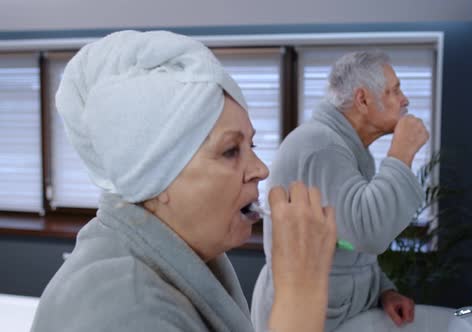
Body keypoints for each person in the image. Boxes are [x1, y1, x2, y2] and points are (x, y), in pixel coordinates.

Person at [30, 30, 337, 332]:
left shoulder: (187, 256)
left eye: (251, 146)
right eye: (231, 150)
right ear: (156, 177)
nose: (261, 169)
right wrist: (301, 292)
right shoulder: (125, 312)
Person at [251, 50, 429, 331]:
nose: (404, 99)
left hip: (339, 311)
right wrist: (401, 154)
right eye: (394, 91)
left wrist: (384, 290)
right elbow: (368, 233)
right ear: (363, 99)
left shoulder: (345, 147)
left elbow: (347, 241)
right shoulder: (323, 147)